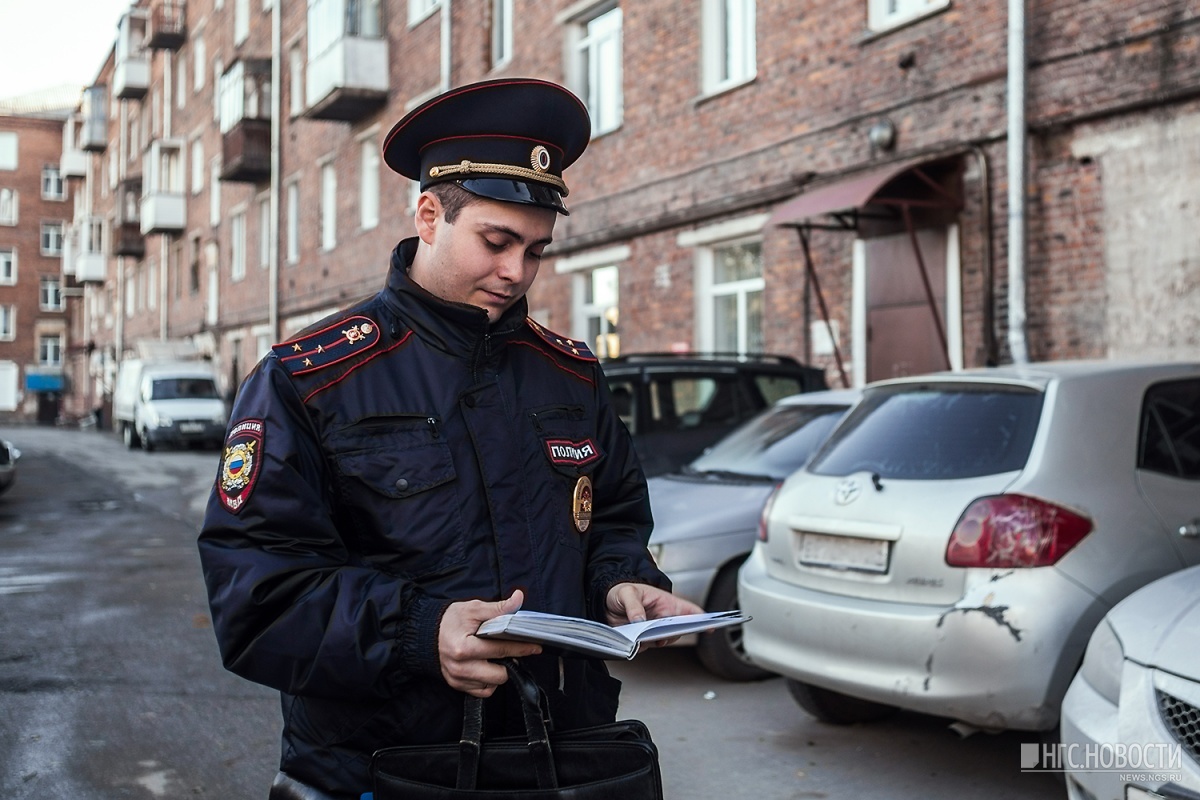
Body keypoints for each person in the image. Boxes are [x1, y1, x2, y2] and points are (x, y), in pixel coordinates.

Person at [196, 77, 701, 800]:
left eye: (535, 250)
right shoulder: (311, 379)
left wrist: (624, 583)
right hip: (386, 766)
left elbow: (612, 518)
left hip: (566, 758)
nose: (515, 273)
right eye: (495, 242)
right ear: (430, 215)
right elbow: (255, 595)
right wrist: (417, 634)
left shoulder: (570, 375)